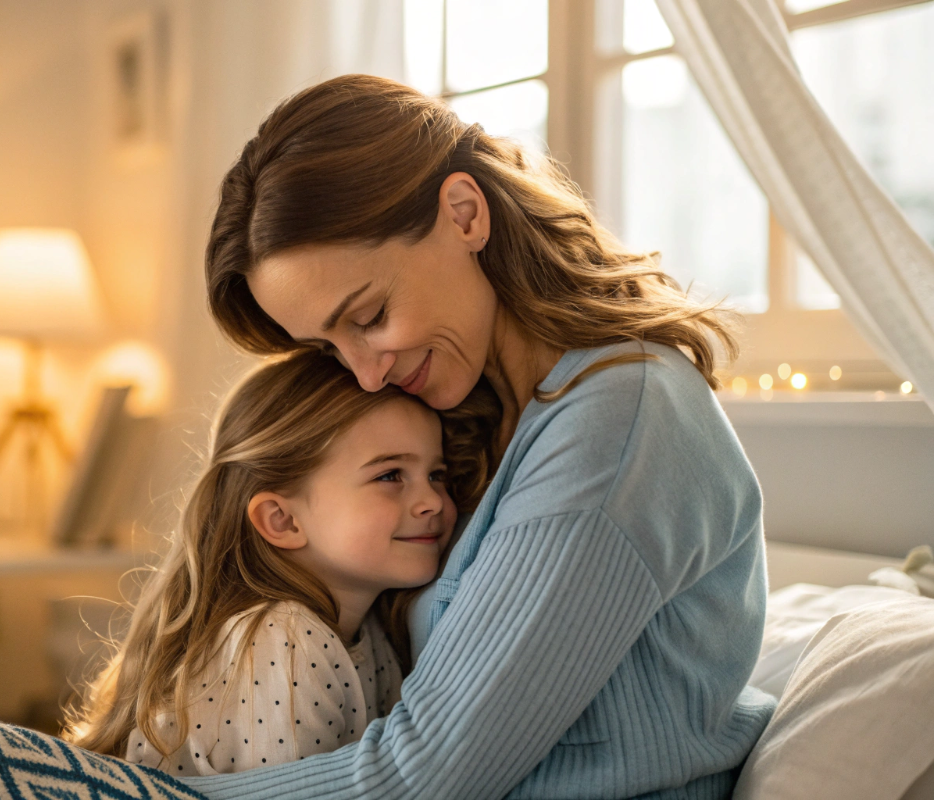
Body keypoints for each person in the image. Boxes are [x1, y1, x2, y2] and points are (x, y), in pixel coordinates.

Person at [185, 74, 777, 799]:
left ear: (464, 214)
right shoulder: (476, 419)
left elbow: (419, 777)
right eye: (330, 347)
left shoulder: (619, 422)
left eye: (369, 317)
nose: (365, 374)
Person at [63, 349, 487, 777]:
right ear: (282, 520)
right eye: (390, 475)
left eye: (437, 475)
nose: (433, 501)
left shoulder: (368, 631)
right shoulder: (284, 639)